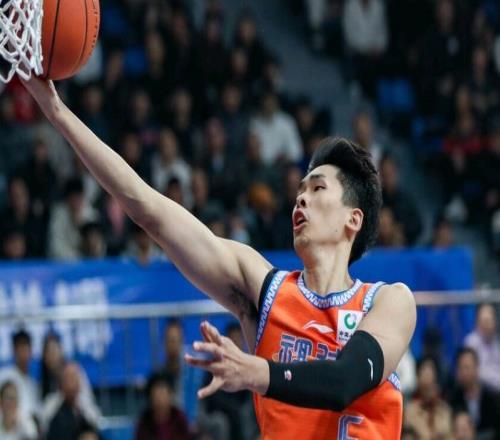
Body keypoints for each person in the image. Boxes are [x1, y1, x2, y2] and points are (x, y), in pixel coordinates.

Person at [22, 77, 416, 439]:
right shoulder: (267, 291)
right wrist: (57, 112)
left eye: (317, 189)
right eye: (299, 191)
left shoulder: (388, 302)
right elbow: (149, 210)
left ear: (353, 219)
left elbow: (345, 382)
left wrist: (257, 371)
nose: (300, 199)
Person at [449, 347, 500, 439]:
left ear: (477, 368)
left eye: (467, 367)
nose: (464, 372)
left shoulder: (493, 398)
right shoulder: (453, 399)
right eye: (460, 368)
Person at [41, 362, 100, 439]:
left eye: (74, 378)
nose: (71, 383)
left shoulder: (86, 409)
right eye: (68, 378)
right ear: (61, 383)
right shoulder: (52, 407)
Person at [135, 372, 191, 440]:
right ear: (150, 396)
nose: (160, 399)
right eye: (157, 395)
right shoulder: (144, 421)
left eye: (163, 394)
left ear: (170, 395)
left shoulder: (179, 418)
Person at [0, 330, 40, 420]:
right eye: (20, 349)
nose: (23, 353)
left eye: (25, 348)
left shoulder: (32, 383)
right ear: (14, 351)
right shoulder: (4, 376)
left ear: (31, 351)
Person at [464, 303, 500, 392]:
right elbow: (474, 373)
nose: (486, 325)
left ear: (495, 322)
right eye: (484, 321)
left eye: (489, 321)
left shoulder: (497, 341)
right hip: (481, 391)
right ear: (477, 322)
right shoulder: (471, 342)